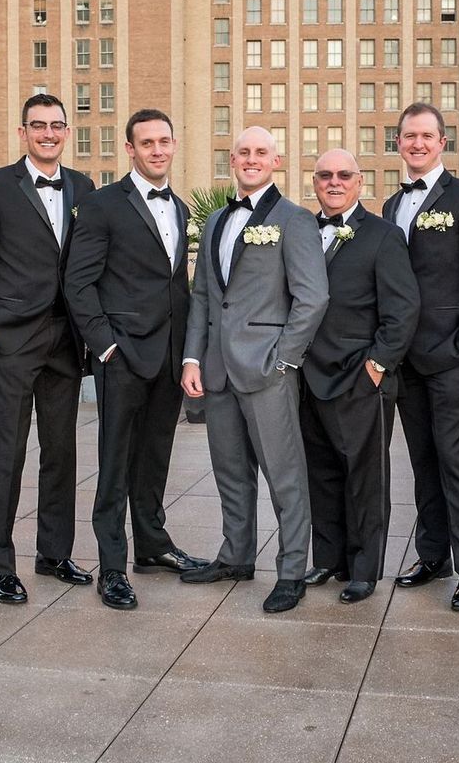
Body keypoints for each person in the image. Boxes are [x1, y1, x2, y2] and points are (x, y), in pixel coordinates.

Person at [181, 126, 329, 613]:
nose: (251, 159)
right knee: (230, 471)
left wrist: (284, 358)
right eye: (243, 152)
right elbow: (204, 296)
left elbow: (313, 297)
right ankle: (236, 555)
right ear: (232, 159)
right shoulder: (216, 221)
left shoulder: (294, 219)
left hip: (268, 370)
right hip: (217, 370)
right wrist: (192, 358)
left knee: (284, 476)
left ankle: (291, 571)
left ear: (275, 161)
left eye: (261, 152)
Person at [66, 109, 208, 610]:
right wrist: (105, 345)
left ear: (174, 144)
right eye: (147, 143)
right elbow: (78, 282)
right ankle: (112, 566)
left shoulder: (181, 207)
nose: (157, 150)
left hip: (168, 356)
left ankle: (152, 545)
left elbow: (176, 287)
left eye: (164, 141)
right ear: (130, 149)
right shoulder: (102, 204)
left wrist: (188, 353)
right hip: (122, 355)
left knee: (155, 457)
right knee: (115, 464)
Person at [0, 93, 95, 604]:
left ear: (67, 132)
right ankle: (0, 565)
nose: (48, 134)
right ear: (23, 133)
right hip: (12, 338)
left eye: (56, 125)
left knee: (61, 451)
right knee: (6, 454)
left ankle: (54, 553)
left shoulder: (83, 186)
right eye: (38, 125)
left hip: (66, 339)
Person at [380, 103, 459, 610]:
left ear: (442, 143)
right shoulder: (392, 205)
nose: (417, 144)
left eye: (426, 136)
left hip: (453, 356)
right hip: (405, 358)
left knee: (457, 462)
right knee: (422, 461)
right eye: (409, 136)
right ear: (399, 142)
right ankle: (433, 555)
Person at [300, 149, 419, 604]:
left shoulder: (384, 236)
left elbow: (402, 309)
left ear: (359, 182)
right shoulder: (303, 231)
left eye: (343, 175)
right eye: (325, 175)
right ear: (315, 182)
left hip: (360, 377)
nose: (334, 182)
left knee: (365, 478)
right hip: (310, 376)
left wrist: (376, 367)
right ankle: (330, 559)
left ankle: (364, 569)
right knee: (322, 473)